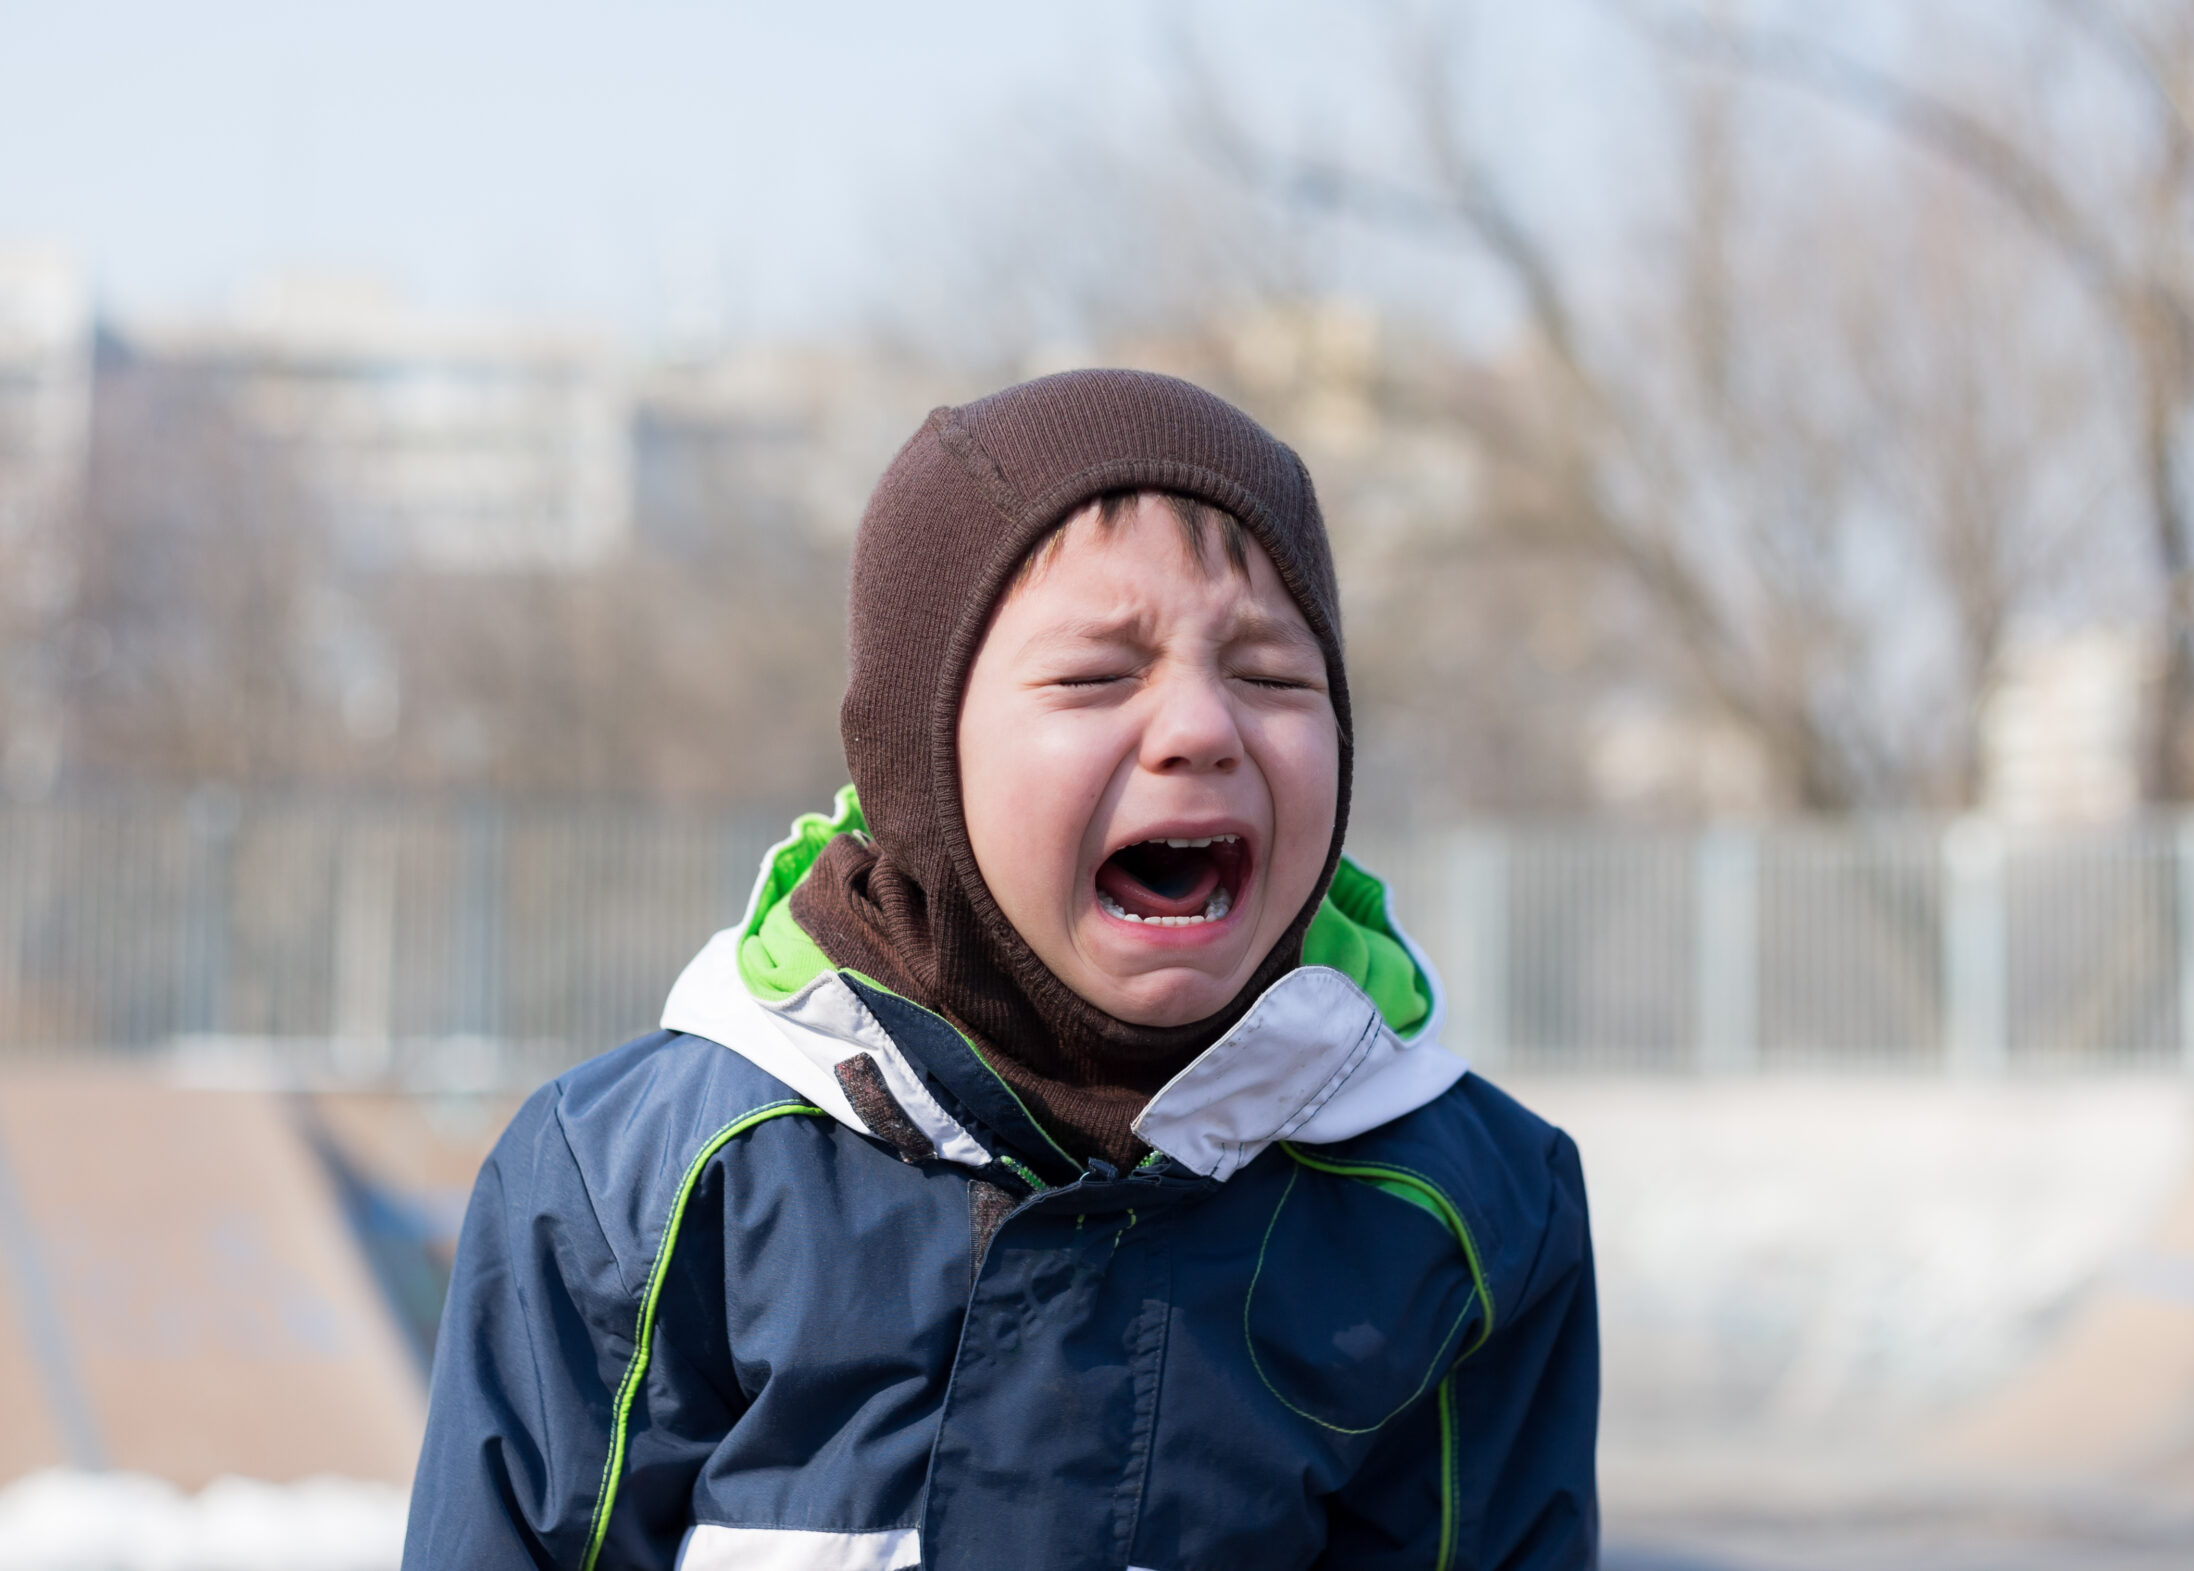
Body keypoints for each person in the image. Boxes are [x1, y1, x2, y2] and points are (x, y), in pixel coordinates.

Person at [404, 370, 1600, 1570]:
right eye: (1096, 675)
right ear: (921, 761)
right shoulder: (641, 1189)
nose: (1201, 729)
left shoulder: (1464, 1215)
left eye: (1272, 676)